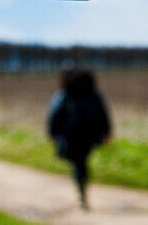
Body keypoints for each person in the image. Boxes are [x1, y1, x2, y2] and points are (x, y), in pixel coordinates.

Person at [47, 68, 111, 208]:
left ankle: (81, 191)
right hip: (88, 135)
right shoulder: (93, 94)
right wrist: (107, 132)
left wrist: (53, 133)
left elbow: (54, 115)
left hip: (71, 135)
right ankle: (82, 190)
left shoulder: (64, 94)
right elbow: (103, 114)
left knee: (78, 163)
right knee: (81, 162)